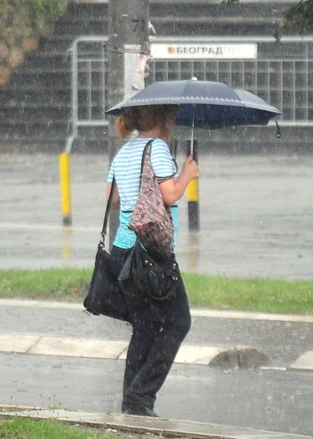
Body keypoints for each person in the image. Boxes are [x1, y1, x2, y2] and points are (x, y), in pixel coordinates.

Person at [105, 104, 199, 417]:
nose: (173, 122)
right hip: (150, 254)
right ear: (161, 119)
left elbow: (112, 197)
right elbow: (170, 195)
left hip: (123, 251)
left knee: (144, 328)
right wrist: (186, 175)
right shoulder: (157, 148)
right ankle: (140, 396)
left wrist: (136, 190)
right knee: (178, 321)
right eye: (171, 117)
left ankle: (132, 405)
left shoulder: (124, 152)